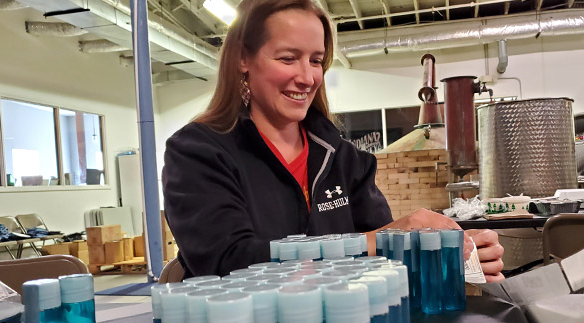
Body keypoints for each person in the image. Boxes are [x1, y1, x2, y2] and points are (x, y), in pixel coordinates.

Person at [162, 0, 504, 282]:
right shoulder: (198, 153)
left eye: (315, 60)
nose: (307, 77)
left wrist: (450, 259)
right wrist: (379, 241)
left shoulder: (343, 159)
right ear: (243, 59)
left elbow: (383, 261)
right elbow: (229, 262)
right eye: (287, 58)